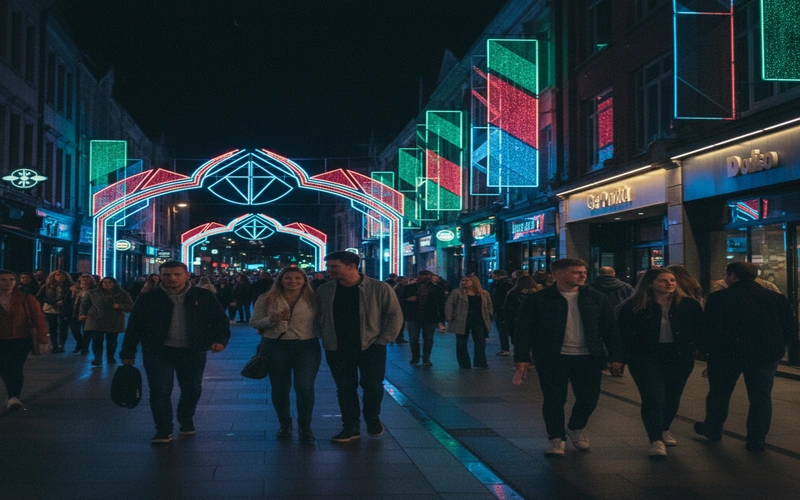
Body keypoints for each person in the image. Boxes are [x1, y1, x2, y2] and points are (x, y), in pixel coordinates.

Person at [513, 258, 623, 457]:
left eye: (583, 271)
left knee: (589, 398)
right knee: (554, 399)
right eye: (576, 272)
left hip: (588, 356)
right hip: (553, 356)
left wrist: (616, 355)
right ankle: (556, 438)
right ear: (558, 275)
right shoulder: (539, 299)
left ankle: (576, 426)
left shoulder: (596, 298)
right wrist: (522, 357)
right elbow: (523, 329)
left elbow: (610, 328)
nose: (582, 275)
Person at [121, 261, 230, 444]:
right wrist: (128, 352)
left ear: (187, 275)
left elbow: (220, 321)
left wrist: (219, 341)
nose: (172, 278)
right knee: (160, 390)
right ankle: (163, 429)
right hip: (158, 351)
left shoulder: (203, 296)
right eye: (167, 275)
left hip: (193, 351)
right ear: (160, 276)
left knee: (192, 388)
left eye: (177, 274)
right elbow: (134, 326)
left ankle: (185, 417)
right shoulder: (149, 298)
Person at [694, 262, 796, 452]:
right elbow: (789, 328)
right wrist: (778, 346)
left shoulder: (719, 298)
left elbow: (710, 329)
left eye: (725, 274)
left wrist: (707, 350)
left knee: (719, 393)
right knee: (761, 398)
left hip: (726, 355)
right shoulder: (777, 298)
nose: (724, 277)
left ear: (733, 276)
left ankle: (713, 429)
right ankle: (756, 440)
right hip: (765, 355)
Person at [314, 251, 403, 443]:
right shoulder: (326, 289)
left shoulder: (379, 288)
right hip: (336, 347)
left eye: (334, 267)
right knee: (345, 388)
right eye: (329, 266)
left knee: (372, 386)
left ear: (352, 267)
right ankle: (351, 427)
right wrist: (322, 335)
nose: (329, 271)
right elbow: (316, 314)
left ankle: (372, 417)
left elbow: (394, 314)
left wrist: (384, 339)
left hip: (371, 345)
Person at [617, 269, 703, 458]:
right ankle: (656, 439)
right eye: (663, 281)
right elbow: (623, 333)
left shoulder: (688, 304)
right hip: (645, 357)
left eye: (672, 280)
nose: (670, 284)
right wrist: (620, 358)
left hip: (678, 356)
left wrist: (697, 349)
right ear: (650, 284)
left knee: (672, 396)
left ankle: (664, 428)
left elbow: (700, 329)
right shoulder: (635, 306)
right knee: (653, 398)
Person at [250, 268, 321, 443]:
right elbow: (255, 322)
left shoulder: (314, 299)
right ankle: (285, 424)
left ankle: (305, 426)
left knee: (305, 387)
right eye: (288, 278)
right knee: (280, 387)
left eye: (298, 278)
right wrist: (271, 319)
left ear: (305, 281)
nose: (293, 281)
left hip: (306, 345)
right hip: (275, 345)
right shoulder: (266, 298)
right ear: (280, 280)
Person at [0, 270, 50, 410]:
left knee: (15, 367)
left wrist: (42, 340)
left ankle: (13, 397)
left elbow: (38, 320)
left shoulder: (26, 298)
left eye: (11, 279)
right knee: (3, 368)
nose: (8, 282)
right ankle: (11, 392)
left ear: (15, 282)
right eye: (3, 279)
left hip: (20, 339)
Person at [80, 277, 134, 366]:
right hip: (96, 318)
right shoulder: (92, 293)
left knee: (111, 341)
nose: (107, 284)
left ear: (114, 283)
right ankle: (98, 358)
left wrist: (120, 306)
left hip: (114, 318)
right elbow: (84, 304)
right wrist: (82, 314)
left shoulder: (122, 293)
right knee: (97, 340)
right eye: (104, 282)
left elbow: (131, 306)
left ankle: (110, 356)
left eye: (109, 282)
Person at [445, 276, 493, 369]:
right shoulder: (457, 292)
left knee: (480, 341)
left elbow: (489, 305)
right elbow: (450, 304)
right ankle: (464, 363)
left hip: (479, 319)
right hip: (461, 319)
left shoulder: (483, 293)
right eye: (462, 280)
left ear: (474, 282)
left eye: (467, 280)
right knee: (461, 342)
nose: (464, 282)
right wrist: (449, 316)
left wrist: (489, 315)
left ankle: (480, 362)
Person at [400, 270, 446, 366]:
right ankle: (416, 357)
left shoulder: (437, 289)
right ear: (419, 276)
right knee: (414, 338)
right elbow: (400, 301)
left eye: (428, 276)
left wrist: (441, 318)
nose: (426, 278)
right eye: (424, 276)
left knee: (428, 338)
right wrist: (408, 300)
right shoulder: (409, 288)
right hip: (413, 316)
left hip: (430, 317)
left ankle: (425, 357)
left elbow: (441, 304)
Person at [36, 270, 74, 353]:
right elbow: (39, 296)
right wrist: (53, 302)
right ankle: (54, 344)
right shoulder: (47, 286)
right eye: (58, 275)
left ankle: (61, 345)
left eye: (62, 275)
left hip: (64, 309)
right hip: (50, 309)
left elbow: (72, 298)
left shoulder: (70, 286)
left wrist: (64, 302)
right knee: (53, 327)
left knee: (63, 327)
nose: (60, 277)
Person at [503, 274, 541, 348]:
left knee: (520, 343)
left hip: (517, 321)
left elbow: (507, 308)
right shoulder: (538, 293)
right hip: (535, 322)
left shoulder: (512, 293)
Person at [69, 274, 97, 354]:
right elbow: (68, 301)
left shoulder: (94, 290)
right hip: (75, 312)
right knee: (75, 330)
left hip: (88, 314)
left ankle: (85, 348)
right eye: (83, 279)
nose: (84, 281)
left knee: (87, 332)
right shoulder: (74, 289)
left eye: (86, 280)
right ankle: (80, 343)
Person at [490, 270, 515, 357]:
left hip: (502, 310)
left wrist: (494, 309)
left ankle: (505, 348)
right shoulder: (513, 283)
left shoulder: (499, 284)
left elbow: (497, 298)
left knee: (502, 330)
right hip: (512, 310)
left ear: (496, 275)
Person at [392, 276, 409, 344]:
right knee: (401, 323)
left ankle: (397, 337)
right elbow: (399, 299)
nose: (406, 281)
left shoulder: (397, 287)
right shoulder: (400, 288)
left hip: (400, 307)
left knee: (400, 323)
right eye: (405, 280)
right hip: (400, 307)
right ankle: (399, 337)